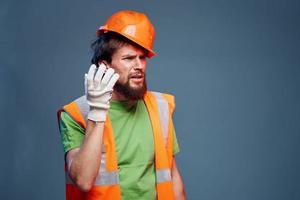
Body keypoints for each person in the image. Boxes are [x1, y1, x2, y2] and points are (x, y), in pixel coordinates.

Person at [57, 10, 186, 200]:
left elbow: (172, 175)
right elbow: (83, 180)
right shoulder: (77, 114)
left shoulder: (160, 107)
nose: (139, 65)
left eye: (142, 57)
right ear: (105, 66)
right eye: (128, 58)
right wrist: (97, 112)